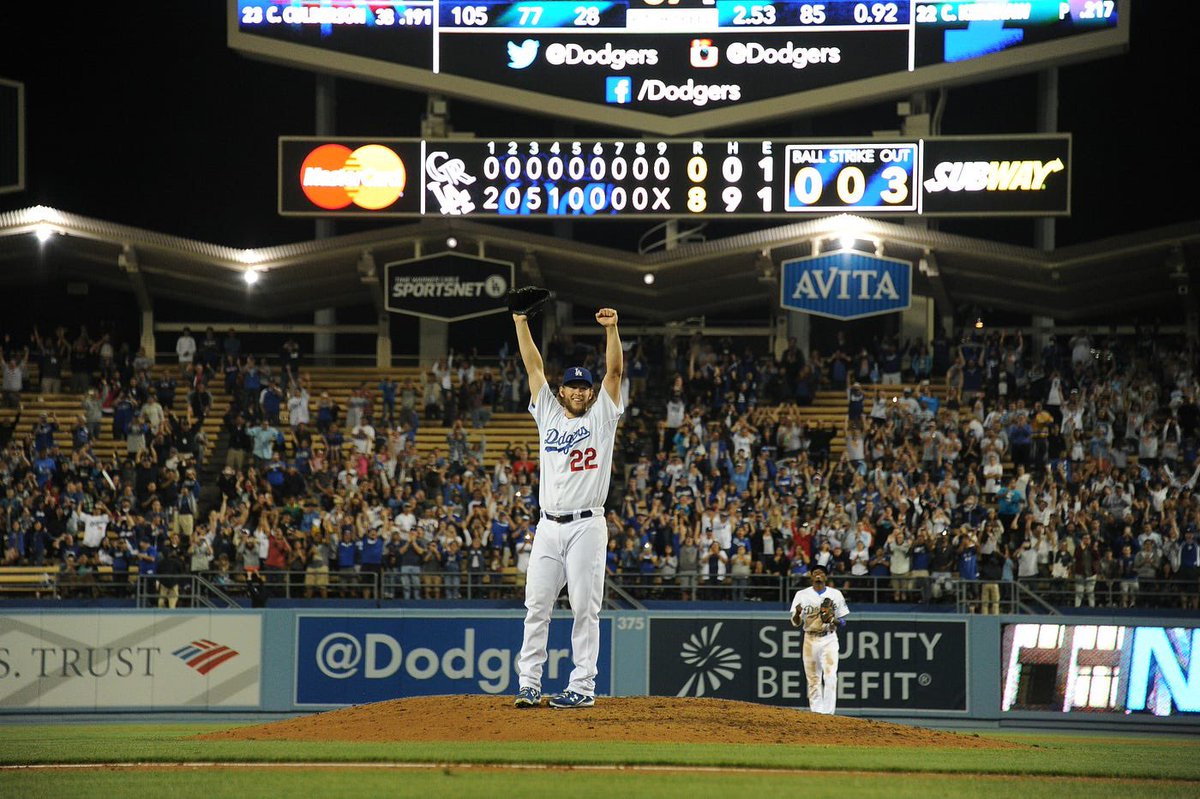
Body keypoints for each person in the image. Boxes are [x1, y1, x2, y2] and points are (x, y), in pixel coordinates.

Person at [512, 304, 623, 710]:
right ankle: (529, 683)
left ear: (591, 393)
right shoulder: (547, 413)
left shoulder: (602, 419)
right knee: (536, 605)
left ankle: (583, 686)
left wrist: (612, 330)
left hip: (586, 526)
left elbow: (615, 373)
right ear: (562, 392)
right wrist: (521, 321)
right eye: (572, 386)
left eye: (584, 387)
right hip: (547, 526)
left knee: (584, 608)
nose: (578, 390)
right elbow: (533, 367)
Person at [788, 563, 849, 715]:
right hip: (810, 638)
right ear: (811, 576)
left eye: (821, 573)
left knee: (830, 676)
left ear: (826, 577)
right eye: (815, 573)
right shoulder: (801, 595)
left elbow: (843, 621)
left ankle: (828, 714)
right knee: (813, 679)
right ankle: (817, 714)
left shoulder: (836, 594)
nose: (818, 575)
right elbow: (796, 622)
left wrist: (833, 620)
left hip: (829, 638)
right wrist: (797, 613)